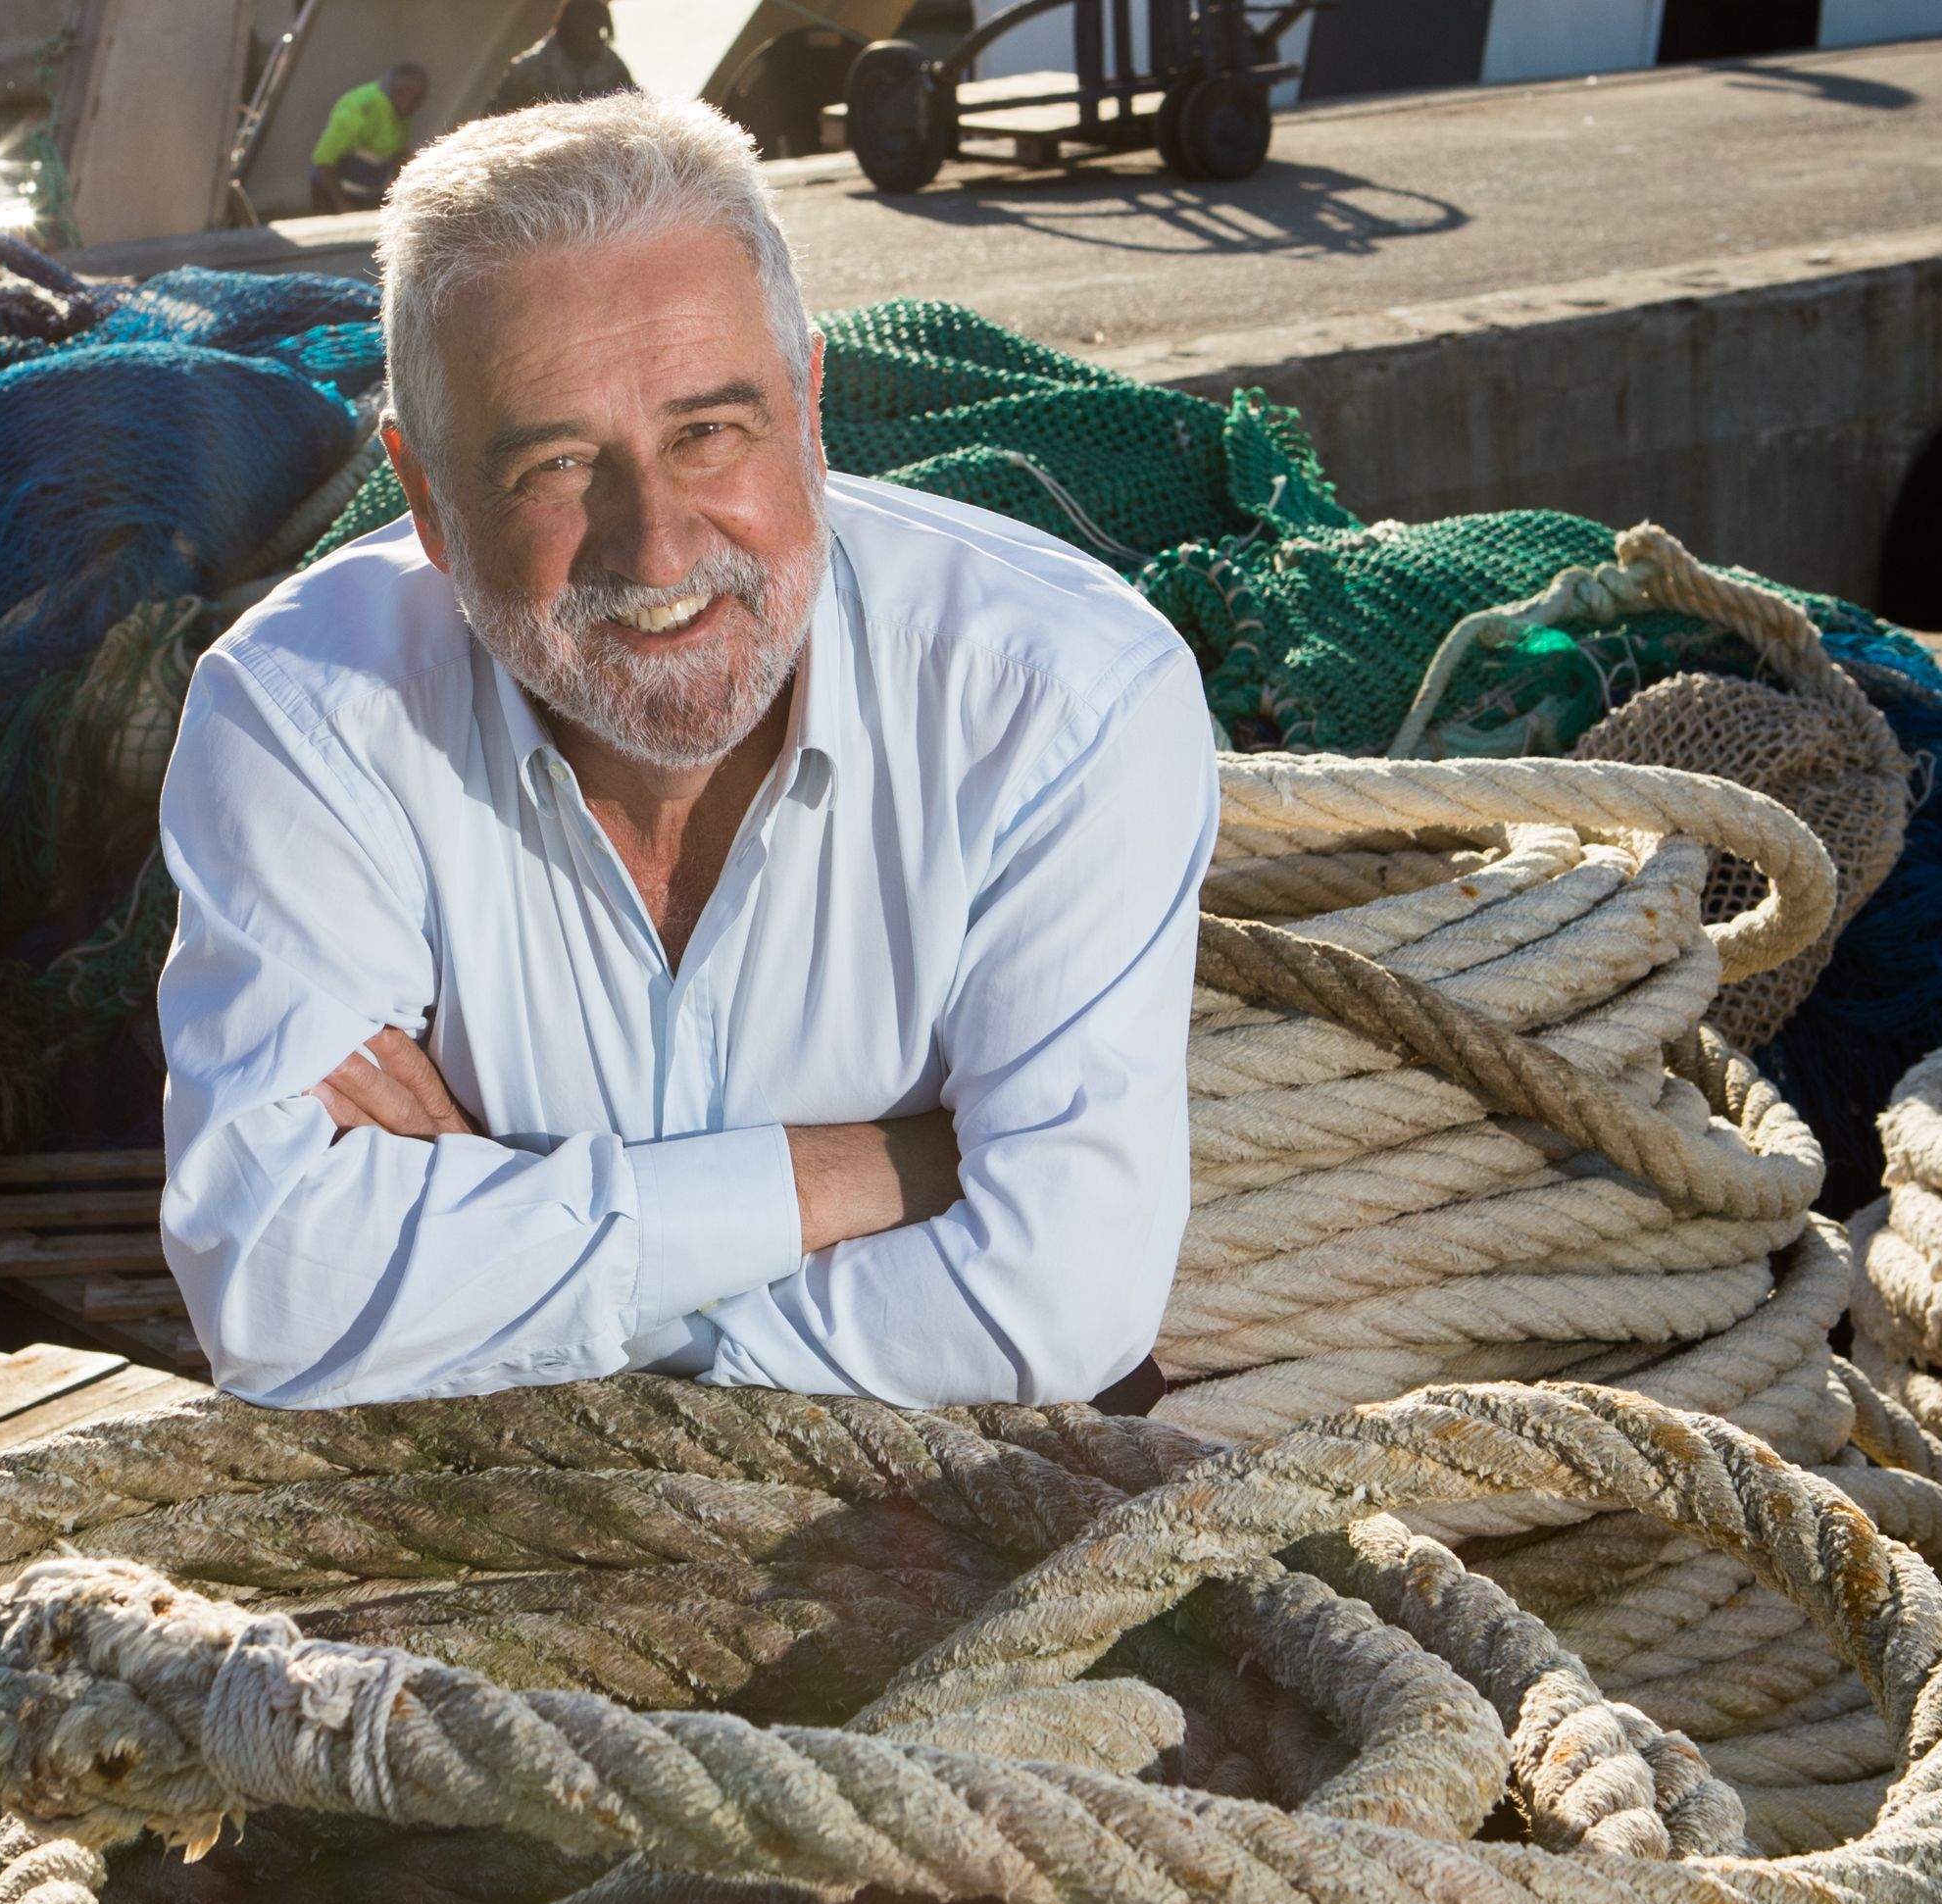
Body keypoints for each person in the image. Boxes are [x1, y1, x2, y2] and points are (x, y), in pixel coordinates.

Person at [157, 94, 1216, 1413]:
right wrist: (871, 1170)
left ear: (810, 409)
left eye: (708, 432)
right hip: (505, 1510)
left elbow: (1054, 1308)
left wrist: (496, 1259)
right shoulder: (304, 716)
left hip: (970, 1493)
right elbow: (278, 1297)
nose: (655, 548)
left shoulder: (1063, 702)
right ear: (427, 498)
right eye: (556, 463)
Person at [309, 61, 427, 214]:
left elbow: (398, 153)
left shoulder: (405, 110)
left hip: (368, 192)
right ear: (399, 92)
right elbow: (324, 161)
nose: (416, 105)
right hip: (332, 192)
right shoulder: (359, 107)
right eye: (412, 97)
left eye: (419, 99)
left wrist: (403, 194)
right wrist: (342, 204)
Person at [485, 0, 633, 118]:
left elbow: (635, 108)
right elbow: (499, 118)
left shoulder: (612, 68)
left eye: (596, 31)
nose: (591, 39)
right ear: (569, 30)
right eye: (585, 29)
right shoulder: (531, 71)